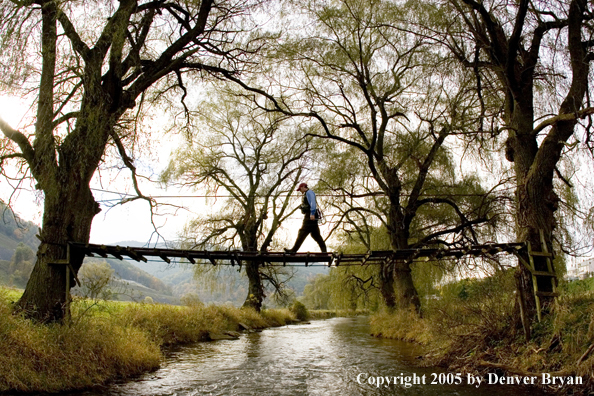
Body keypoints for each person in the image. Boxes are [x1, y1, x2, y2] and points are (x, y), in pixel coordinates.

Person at [285, 182, 327, 253]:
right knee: (315, 234)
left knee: (303, 232)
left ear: (302, 187)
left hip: (310, 215)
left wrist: (312, 213)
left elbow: (313, 203)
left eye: (300, 190)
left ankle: (293, 250)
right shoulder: (308, 193)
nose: (300, 191)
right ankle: (324, 252)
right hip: (310, 214)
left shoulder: (309, 192)